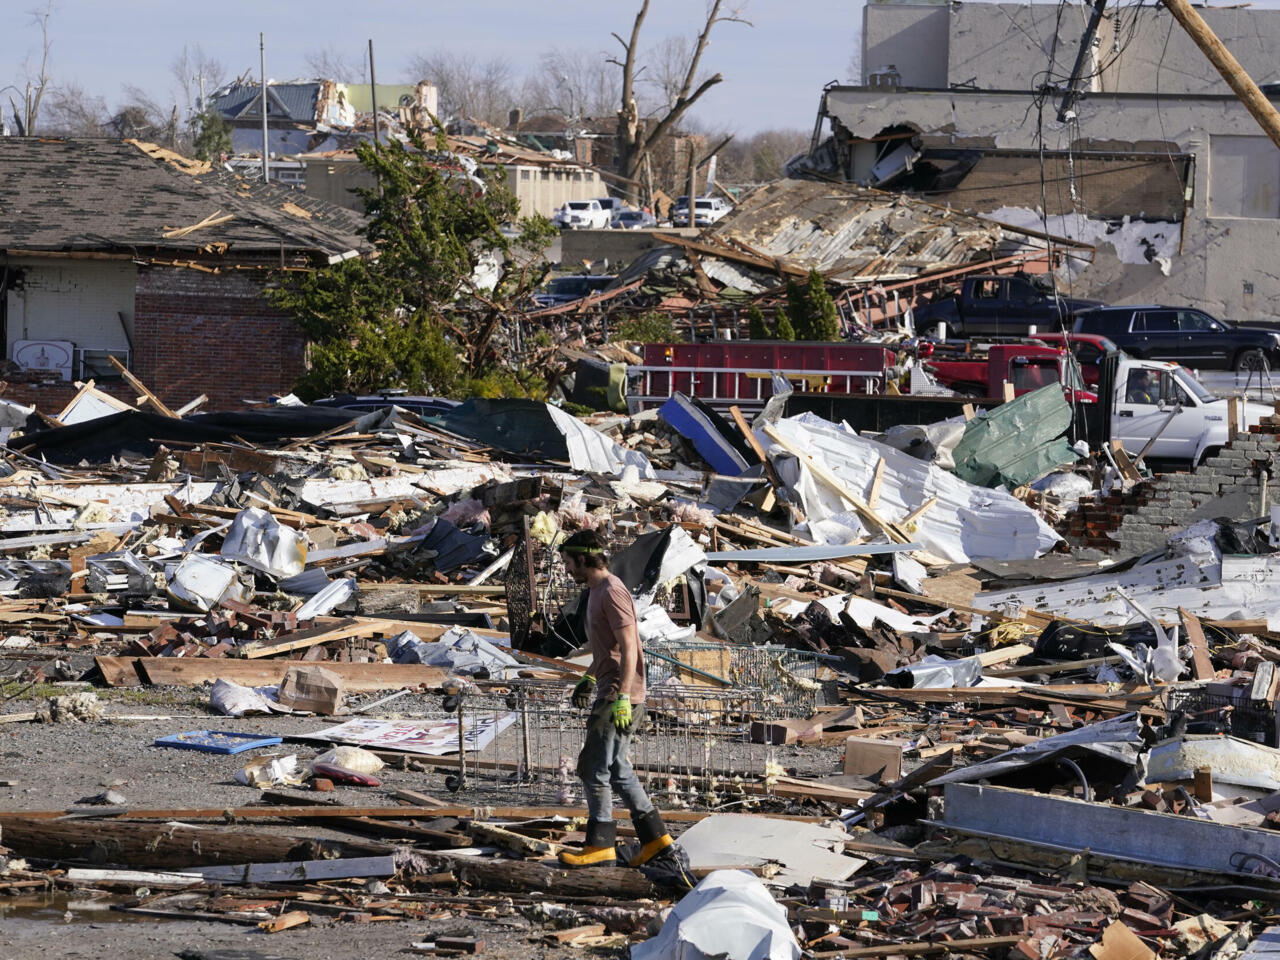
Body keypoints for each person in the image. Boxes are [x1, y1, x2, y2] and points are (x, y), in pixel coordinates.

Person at [556, 529, 673, 869]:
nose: (567, 569)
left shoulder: (612, 591)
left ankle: (601, 845)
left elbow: (630, 647)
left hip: (618, 695)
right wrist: (590, 675)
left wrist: (622, 696)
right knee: (618, 767)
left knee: (593, 767)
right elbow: (606, 649)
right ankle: (657, 840)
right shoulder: (594, 591)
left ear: (583, 558)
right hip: (609, 686)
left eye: (568, 563)